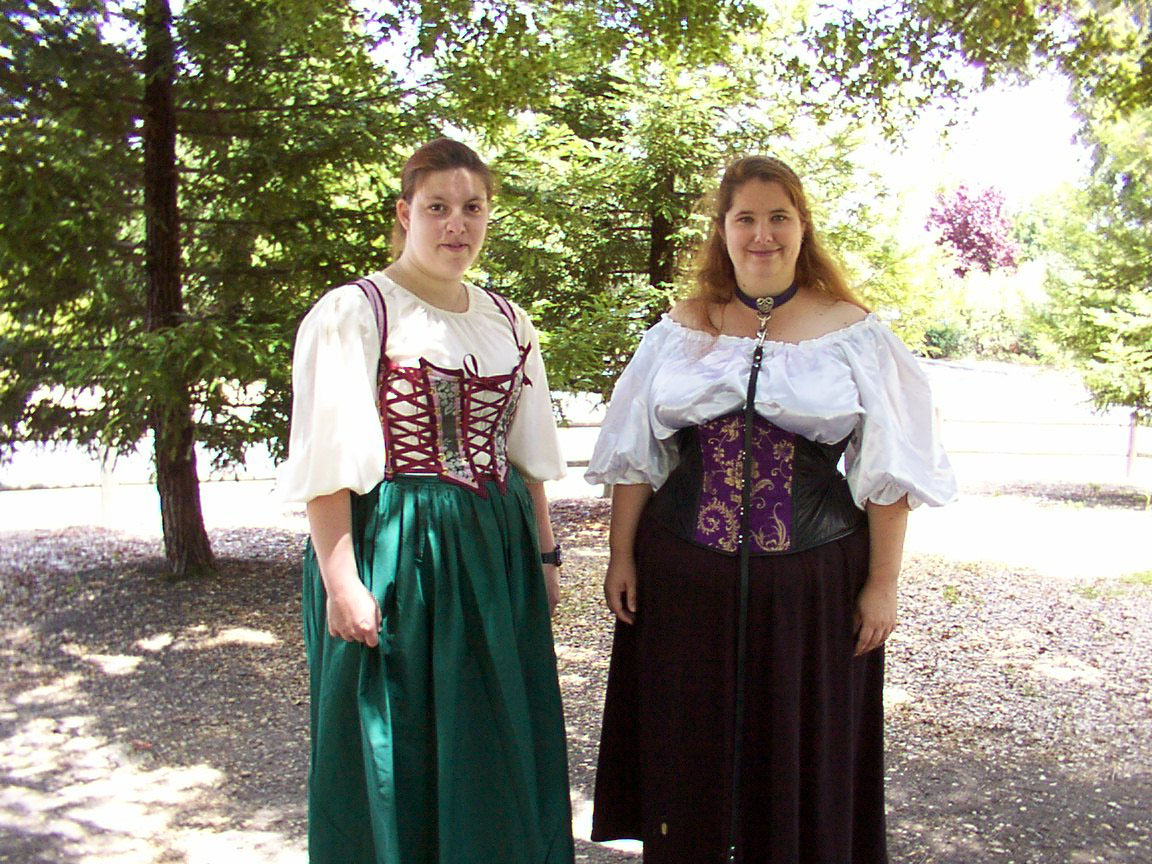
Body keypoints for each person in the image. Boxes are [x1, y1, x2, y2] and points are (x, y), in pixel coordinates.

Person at [584, 155, 957, 863]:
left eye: (778, 217)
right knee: (689, 744)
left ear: (802, 226)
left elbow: (889, 470)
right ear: (723, 229)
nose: (763, 235)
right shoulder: (681, 328)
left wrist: (883, 584)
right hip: (684, 576)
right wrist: (620, 555)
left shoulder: (853, 331)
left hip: (811, 585)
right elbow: (635, 453)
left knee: (797, 746)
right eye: (746, 219)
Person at [277, 138, 575, 864]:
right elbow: (328, 466)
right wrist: (342, 583)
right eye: (438, 207)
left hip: (495, 550)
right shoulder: (356, 312)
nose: (456, 224)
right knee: (398, 735)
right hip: (394, 549)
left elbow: (527, 458)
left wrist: (544, 555)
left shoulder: (508, 321)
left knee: (495, 731)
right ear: (405, 214)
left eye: (472, 208)